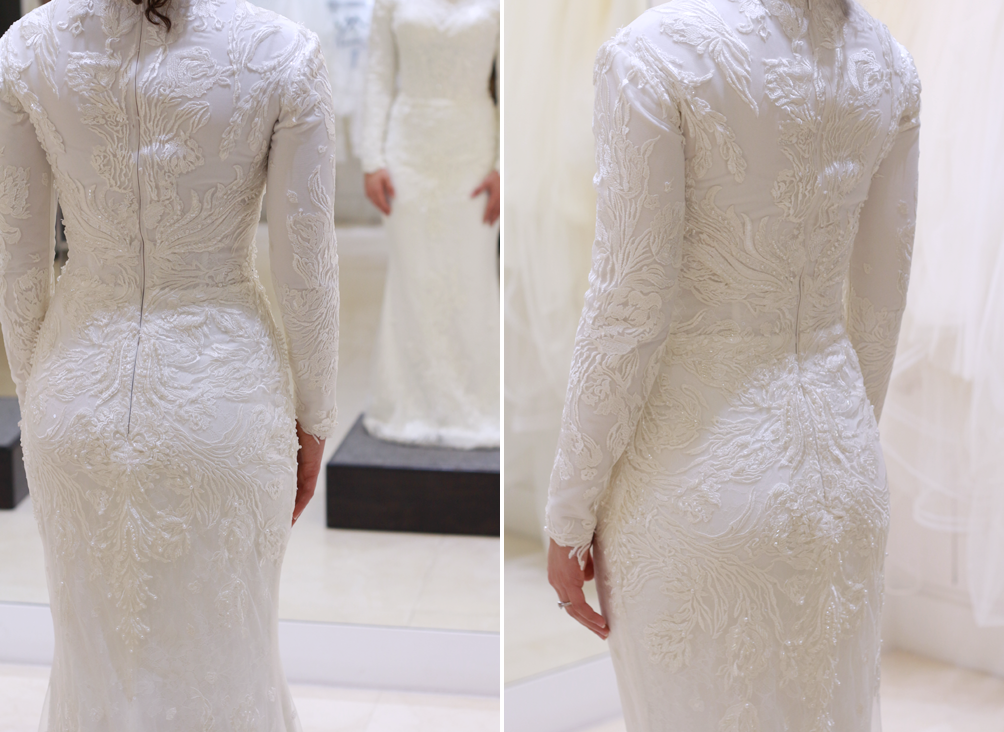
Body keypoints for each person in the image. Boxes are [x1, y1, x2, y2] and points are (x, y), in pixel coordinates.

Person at [545, 0, 920, 729]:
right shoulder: (892, 67)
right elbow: (883, 295)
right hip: (842, 475)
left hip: (694, 482)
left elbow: (629, 305)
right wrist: (846, 435)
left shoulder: (654, 54)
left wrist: (569, 512)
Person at [0, 0, 338, 728]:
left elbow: (17, 266)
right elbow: (307, 272)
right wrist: (315, 415)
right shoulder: (284, 53)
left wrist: (41, 401)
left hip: (73, 398)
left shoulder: (26, 49)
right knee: (227, 658)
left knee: (95, 667)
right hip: (226, 399)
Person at [360, 0, 500, 450]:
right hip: (409, 152)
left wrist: (507, 164)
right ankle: (409, 404)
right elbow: (378, 73)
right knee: (413, 276)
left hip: (472, 149)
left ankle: (474, 404)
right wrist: (370, 158)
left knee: (471, 276)